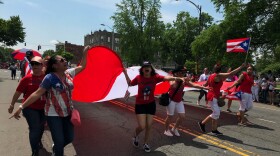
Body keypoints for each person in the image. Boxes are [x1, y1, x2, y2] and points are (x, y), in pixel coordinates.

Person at [10, 46, 90, 156]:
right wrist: (21, 107)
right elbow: (37, 93)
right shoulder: (49, 77)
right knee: (59, 141)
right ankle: (56, 150)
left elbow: (83, 66)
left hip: (68, 112)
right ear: (54, 65)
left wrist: (85, 53)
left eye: (65, 59)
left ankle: (56, 148)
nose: (65, 61)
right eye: (62, 60)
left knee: (69, 137)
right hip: (53, 114)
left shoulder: (68, 73)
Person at [123, 61, 185, 153]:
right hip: (140, 104)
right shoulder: (138, 78)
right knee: (142, 126)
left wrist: (175, 77)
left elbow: (166, 78)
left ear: (151, 69)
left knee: (149, 126)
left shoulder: (155, 77)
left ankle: (146, 143)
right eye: (144, 67)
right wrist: (125, 73)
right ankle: (135, 136)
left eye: (148, 66)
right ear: (142, 70)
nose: (146, 68)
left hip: (151, 104)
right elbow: (130, 83)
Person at [8, 56, 45, 156]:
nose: (34, 66)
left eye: (37, 64)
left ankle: (38, 141)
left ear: (42, 65)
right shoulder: (26, 78)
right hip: (30, 108)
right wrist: (12, 104)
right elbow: (18, 92)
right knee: (35, 128)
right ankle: (35, 151)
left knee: (41, 128)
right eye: (32, 64)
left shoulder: (47, 77)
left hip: (44, 108)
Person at [198, 63, 245, 136]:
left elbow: (205, 84)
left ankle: (214, 130)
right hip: (212, 96)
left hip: (213, 96)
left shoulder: (211, 76)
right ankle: (202, 123)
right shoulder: (218, 75)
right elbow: (231, 73)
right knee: (216, 113)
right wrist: (241, 67)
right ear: (220, 70)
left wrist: (202, 86)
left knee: (215, 113)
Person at [164, 66, 210, 137]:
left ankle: (174, 128)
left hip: (179, 101)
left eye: (183, 73)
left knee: (182, 116)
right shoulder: (172, 78)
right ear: (176, 73)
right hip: (171, 100)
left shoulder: (184, 80)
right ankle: (166, 130)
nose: (183, 74)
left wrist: (204, 87)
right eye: (181, 72)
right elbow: (173, 86)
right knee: (170, 116)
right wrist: (179, 79)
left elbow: (194, 85)